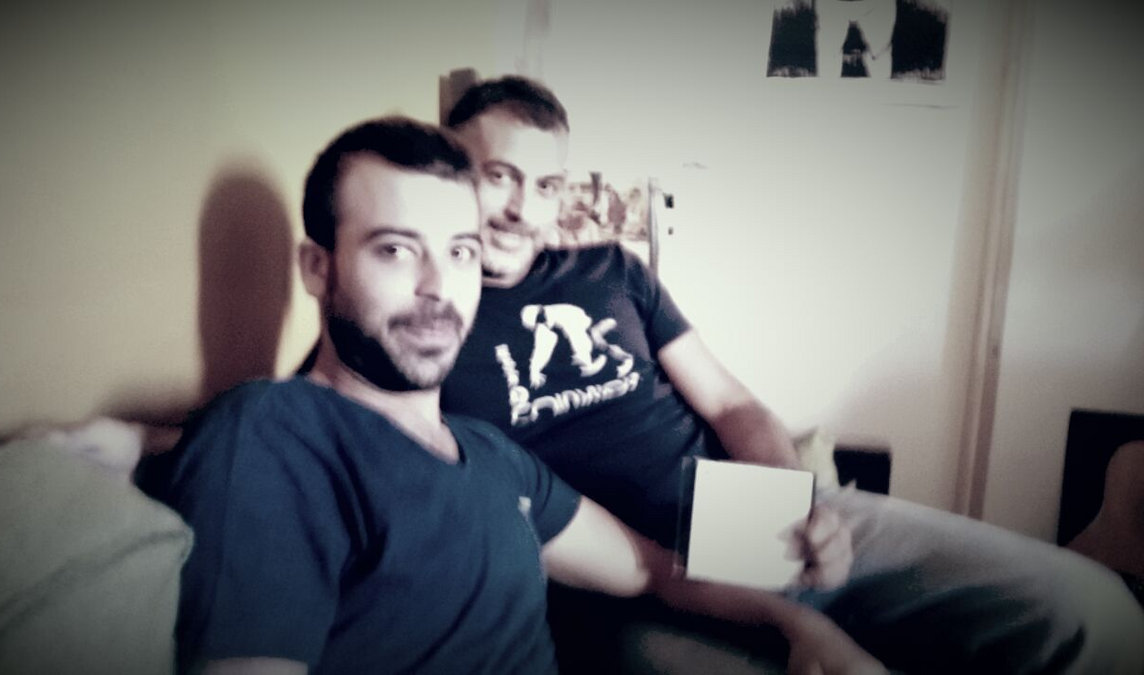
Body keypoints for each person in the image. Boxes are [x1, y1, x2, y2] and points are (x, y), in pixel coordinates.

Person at [434, 75, 1144, 673]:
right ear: (447, 167)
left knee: (1092, 611)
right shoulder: (422, 332)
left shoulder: (612, 270)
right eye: (499, 177)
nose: (523, 210)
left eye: (546, 184)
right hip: (623, 583)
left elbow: (730, 403)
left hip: (750, 515)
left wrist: (792, 505)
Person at [138, 117, 884, 675]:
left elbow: (654, 569)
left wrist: (801, 626)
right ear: (316, 268)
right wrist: (148, 439)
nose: (438, 286)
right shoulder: (273, 433)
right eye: (396, 249)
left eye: (458, 251)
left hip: (749, 530)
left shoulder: (494, 454)